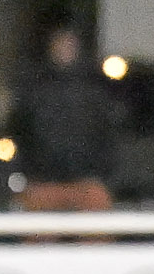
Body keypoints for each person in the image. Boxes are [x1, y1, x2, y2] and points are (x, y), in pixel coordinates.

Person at [11, 25, 123, 211]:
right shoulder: (35, 92)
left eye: (69, 45)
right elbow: (19, 134)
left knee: (96, 212)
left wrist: (104, 177)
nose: (64, 50)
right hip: (43, 182)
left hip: (86, 183)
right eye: (60, 45)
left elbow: (108, 137)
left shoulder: (94, 93)